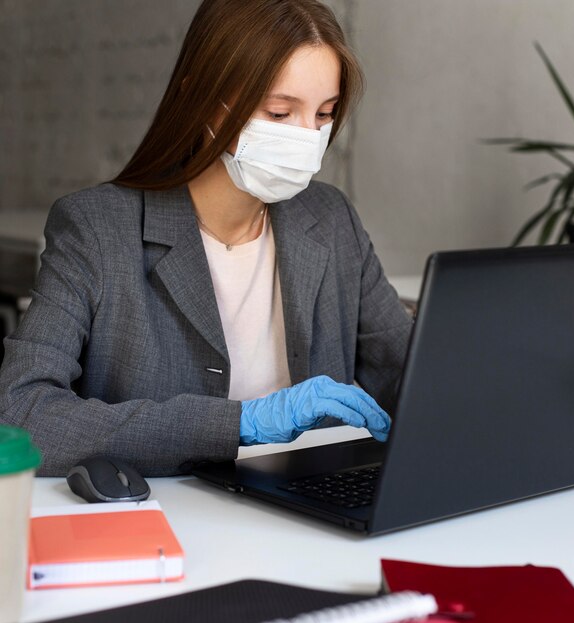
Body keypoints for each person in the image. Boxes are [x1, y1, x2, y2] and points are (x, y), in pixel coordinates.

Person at [0, 0, 412, 476]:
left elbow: (408, 374)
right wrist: (240, 423)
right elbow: (21, 414)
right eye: (279, 112)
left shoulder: (330, 217)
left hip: (308, 523)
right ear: (203, 101)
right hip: (166, 525)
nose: (307, 138)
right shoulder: (96, 228)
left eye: (324, 113)